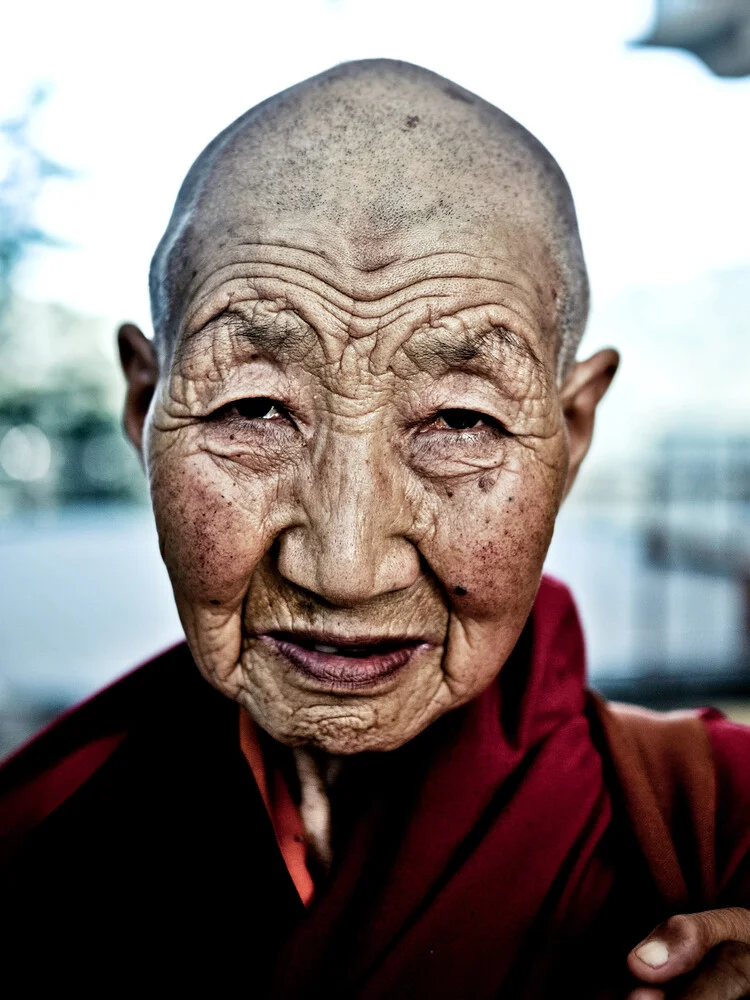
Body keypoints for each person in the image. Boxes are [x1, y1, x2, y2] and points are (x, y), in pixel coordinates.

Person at [1, 59, 749, 998]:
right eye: (254, 409)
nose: (345, 569)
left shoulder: (719, 832)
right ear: (143, 407)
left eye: (461, 421)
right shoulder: (35, 840)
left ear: (571, 431)